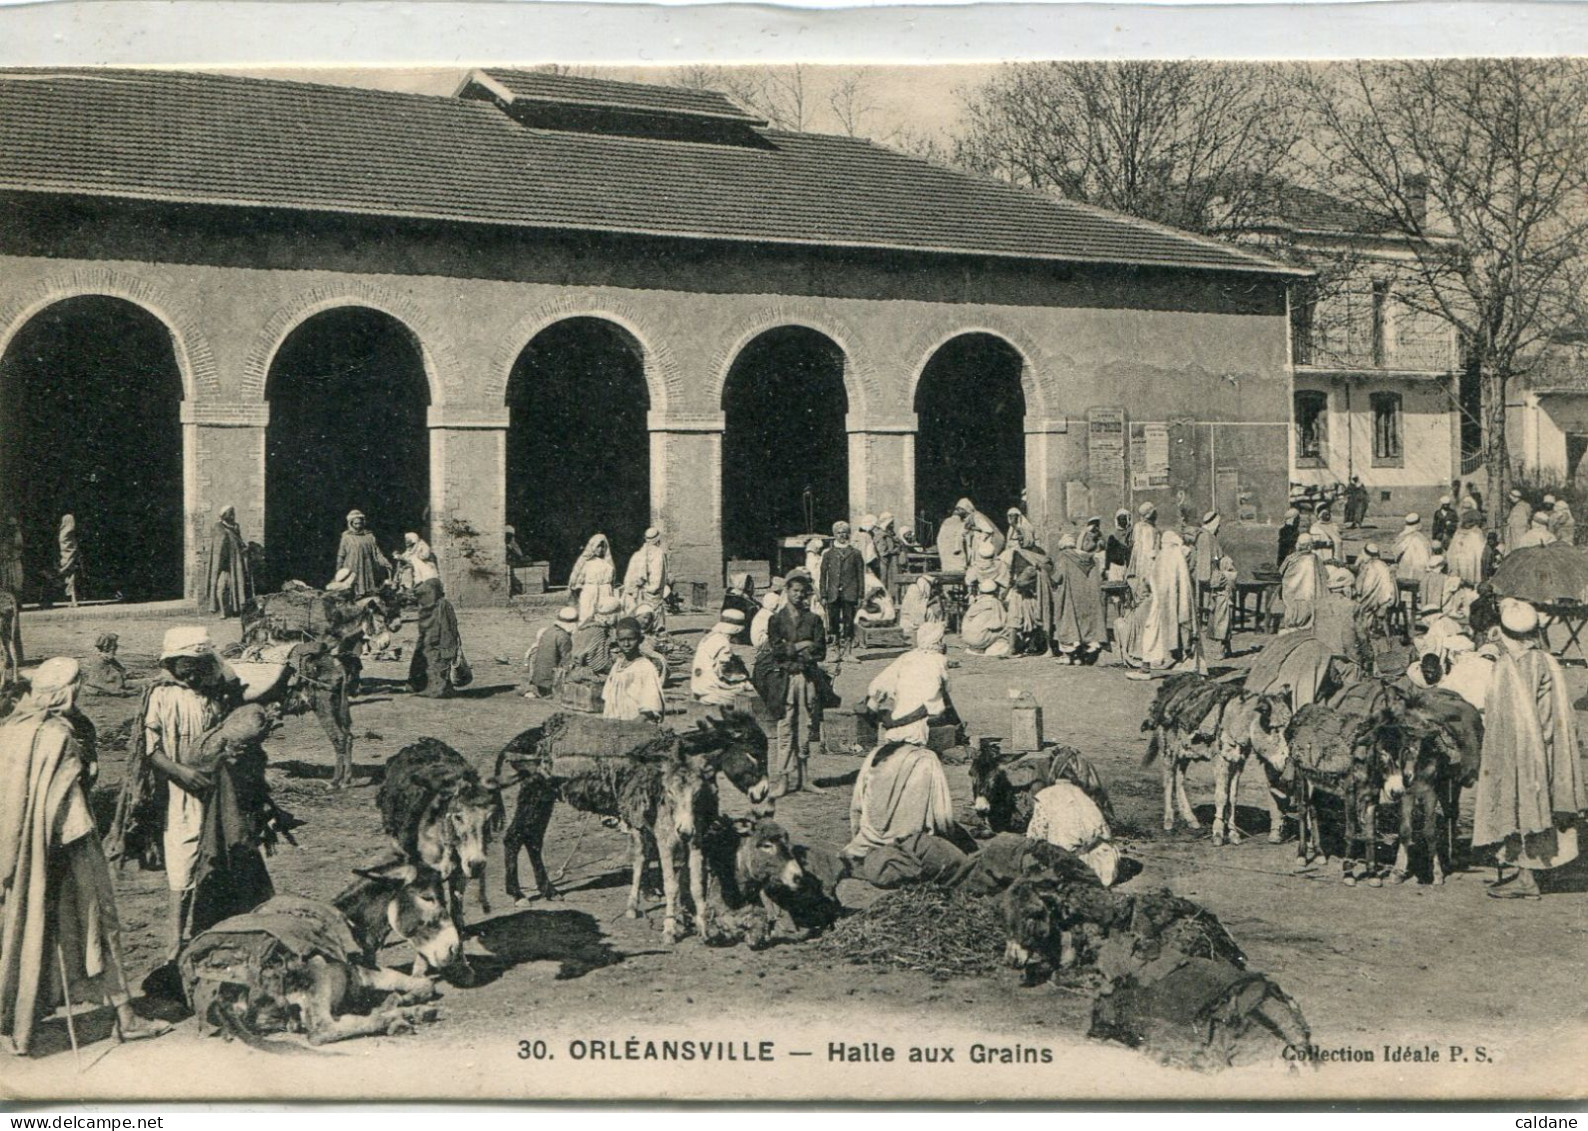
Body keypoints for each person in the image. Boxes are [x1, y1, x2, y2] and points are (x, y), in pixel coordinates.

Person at [0, 658, 169, 1055]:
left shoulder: (10, 731)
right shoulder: (59, 736)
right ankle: (126, 1019)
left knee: (27, 925)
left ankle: (18, 1027)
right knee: (99, 923)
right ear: (67, 690)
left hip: (24, 853)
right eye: (77, 686)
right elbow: (67, 805)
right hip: (69, 848)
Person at [112, 626, 234, 964]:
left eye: (200, 665)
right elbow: (152, 750)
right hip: (179, 792)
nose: (193, 674)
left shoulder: (213, 692)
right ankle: (173, 942)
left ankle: (213, 929)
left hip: (214, 788)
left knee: (218, 857)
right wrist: (181, 772)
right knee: (182, 865)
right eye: (186, 667)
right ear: (172, 663)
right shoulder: (162, 694)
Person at [1474, 599, 1588, 899]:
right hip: (1550, 748)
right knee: (1540, 808)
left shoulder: (1515, 667)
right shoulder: (1546, 660)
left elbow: (1509, 717)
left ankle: (1526, 879)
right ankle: (1532, 872)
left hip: (1526, 750)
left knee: (1521, 807)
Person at [752, 574, 828, 796]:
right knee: (785, 727)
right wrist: (803, 645)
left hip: (807, 678)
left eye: (802, 591)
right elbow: (775, 650)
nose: (798, 594)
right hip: (784, 678)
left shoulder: (814, 620)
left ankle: (804, 778)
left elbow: (821, 652)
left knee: (805, 727)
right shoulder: (776, 620)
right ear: (787, 591)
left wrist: (794, 648)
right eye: (794, 590)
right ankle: (783, 780)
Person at [1026, 780, 1121, 887]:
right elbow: (1107, 835)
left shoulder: (1045, 797)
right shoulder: (1082, 794)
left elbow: (1034, 836)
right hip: (1106, 864)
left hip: (1075, 865)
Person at [1135, 528, 1196, 673]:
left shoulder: (1166, 556)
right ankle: (1177, 660)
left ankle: (1148, 665)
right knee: (1166, 630)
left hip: (1162, 602)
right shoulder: (1176, 556)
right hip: (1170, 602)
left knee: (1154, 630)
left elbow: (1153, 580)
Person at [1050, 532, 1107, 664]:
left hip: (1070, 597)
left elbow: (1057, 577)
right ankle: (1084, 653)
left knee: (1068, 623)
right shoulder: (1089, 558)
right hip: (1085, 597)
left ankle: (1070, 656)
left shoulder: (1064, 557)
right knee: (1084, 624)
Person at [601, 618, 665, 722]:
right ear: (617, 641)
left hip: (634, 724)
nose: (626, 644)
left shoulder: (645, 667)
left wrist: (632, 726)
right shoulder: (618, 665)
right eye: (622, 640)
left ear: (640, 639)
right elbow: (608, 698)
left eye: (631, 639)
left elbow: (651, 705)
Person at [408, 577, 462, 699]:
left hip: (440, 643)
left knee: (438, 667)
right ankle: (442, 688)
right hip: (432, 643)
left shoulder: (442, 605)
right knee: (432, 666)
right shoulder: (431, 606)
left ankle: (439, 690)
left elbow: (447, 627)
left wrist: (447, 645)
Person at [1005, 525, 1054, 656]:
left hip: (1036, 591)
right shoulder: (1017, 552)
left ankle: (1038, 646)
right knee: (1014, 618)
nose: (1019, 540)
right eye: (1018, 537)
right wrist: (1011, 586)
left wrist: (1032, 581)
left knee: (1038, 619)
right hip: (1020, 591)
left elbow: (1047, 570)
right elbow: (1013, 572)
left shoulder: (1039, 553)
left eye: (1022, 537)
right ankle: (1011, 648)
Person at [820, 521, 866, 656]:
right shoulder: (828, 554)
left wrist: (860, 595)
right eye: (839, 533)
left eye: (845, 532)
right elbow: (823, 576)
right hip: (832, 594)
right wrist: (823, 595)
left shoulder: (855, 553)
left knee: (848, 622)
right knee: (832, 622)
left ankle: (848, 652)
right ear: (834, 535)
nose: (842, 535)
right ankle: (835, 650)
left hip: (850, 593)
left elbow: (860, 576)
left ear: (849, 534)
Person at [562, 595, 622, 694]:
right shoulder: (598, 631)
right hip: (584, 673)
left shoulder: (586, 626)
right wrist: (617, 665)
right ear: (612, 615)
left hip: (575, 670)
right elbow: (598, 664)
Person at [691, 607, 750, 707]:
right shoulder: (723, 642)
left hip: (698, 684)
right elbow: (723, 669)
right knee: (744, 693)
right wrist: (738, 678)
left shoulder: (711, 636)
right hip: (710, 687)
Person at [201, 505, 253, 617]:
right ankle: (222, 612)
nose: (233, 516)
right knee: (221, 588)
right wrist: (223, 563)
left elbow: (238, 543)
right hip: (224, 565)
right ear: (224, 515)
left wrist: (244, 549)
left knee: (236, 586)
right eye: (230, 513)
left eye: (233, 513)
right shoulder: (219, 528)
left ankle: (236, 609)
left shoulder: (235, 527)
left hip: (236, 563)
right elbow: (219, 548)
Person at [1278, 532, 1329, 633]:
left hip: (1293, 592)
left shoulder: (1292, 558)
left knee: (1294, 610)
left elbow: (1281, 571)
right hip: (1310, 593)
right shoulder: (1316, 559)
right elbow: (1325, 575)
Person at [333, 510, 391, 598]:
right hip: (352, 565)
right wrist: (339, 567)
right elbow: (341, 553)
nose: (358, 526)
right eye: (355, 524)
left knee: (368, 585)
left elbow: (376, 551)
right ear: (351, 523)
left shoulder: (369, 536)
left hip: (367, 565)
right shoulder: (347, 537)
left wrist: (383, 560)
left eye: (360, 523)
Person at [525, 606, 578, 699]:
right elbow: (567, 659)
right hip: (551, 681)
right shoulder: (563, 636)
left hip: (538, 679)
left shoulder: (548, 631)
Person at [622, 526, 670, 622]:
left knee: (641, 610)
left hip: (640, 590)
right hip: (652, 590)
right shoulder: (659, 554)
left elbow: (630, 576)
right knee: (654, 610)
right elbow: (657, 575)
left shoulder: (637, 554)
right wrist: (652, 587)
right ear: (658, 539)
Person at [568, 534, 616, 625]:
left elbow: (613, 580)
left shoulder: (608, 563)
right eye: (598, 547)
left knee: (605, 614)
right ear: (592, 547)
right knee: (587, 614)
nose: (600, 550)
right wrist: (578, 586)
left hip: (605, 591)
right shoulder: (585, 562)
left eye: (603, 547)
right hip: (590, 591)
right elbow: (576, 578)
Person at [1354, 542, 1398, 628]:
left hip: (1371, 599)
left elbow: (1361, 587)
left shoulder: (1368, 567)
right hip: (1384, 599)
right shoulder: (1383, 565)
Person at [953, 498, 1005, 566]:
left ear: (964, 509)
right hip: (973, 544)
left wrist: (972, 529)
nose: (957, 511)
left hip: (979, 543)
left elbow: (988, 530)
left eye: (959, 509)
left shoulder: (977, 516)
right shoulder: (968, 518)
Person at [1205, 555, 1238, 660]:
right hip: (1220, 601)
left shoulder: (1225, 575)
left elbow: (1214, 583)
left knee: (1221, 626)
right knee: (1225, 625)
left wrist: (1215, 567)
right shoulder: (1230, 574)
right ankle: (1228, 649)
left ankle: (1221, 651)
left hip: (1222, 601)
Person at [1127, 502, 1159, 602]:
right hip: (1148, 563)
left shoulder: (1137, 527)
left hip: (1139, 564)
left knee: (1140, 589)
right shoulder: (1153, 531)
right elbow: (1154, 550)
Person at [1447, 508, 1486, 585]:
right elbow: (1481, 552)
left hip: (1459, 564)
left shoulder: (1458, 534)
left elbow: (1451, 552)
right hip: (1471, 566)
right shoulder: (1477, 533)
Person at [1392, 513, 1434, 580]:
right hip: (1418, 573)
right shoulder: (1421, 539)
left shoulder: (1401, 537)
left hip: (1404, 571)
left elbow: (1395, 553)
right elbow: (1426, 558)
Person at [872, 513, 902, 597]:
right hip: (885, 564)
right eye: (891, 523)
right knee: (885, 582)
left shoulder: (889, 534)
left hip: (891, 563)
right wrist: (895, 551)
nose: (892, 525)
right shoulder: (881, 535)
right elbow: (883, 552)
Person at [57, 514, 83, 608]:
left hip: (66, 559)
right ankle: (73, 600)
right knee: (72, 578)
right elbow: (71, 547)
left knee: (71, 579)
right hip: (69, 559)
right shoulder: (67, 535)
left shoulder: (63, 533)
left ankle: (73, 600)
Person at [1104, 510, 1132, 582]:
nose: (1123, 521)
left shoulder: (1131, 533)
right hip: (1115, 566)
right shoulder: (1113, 536)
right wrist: (1107, 568)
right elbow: (1108, 553)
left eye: (1124, 519)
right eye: (1121, 519)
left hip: (1127, 566)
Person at [0, 514, 21, 596]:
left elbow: (19, 546)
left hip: (15, 559)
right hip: (6, 560)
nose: (12, 528)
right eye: (10, 526)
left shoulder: (17, 534)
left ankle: (17, 601)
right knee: (6, 582)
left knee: (17, 583)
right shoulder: (4, 537)